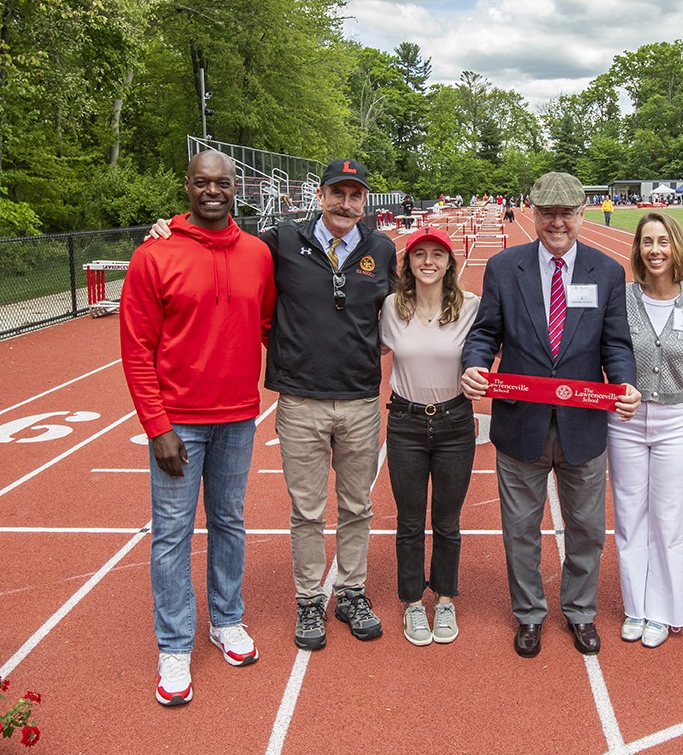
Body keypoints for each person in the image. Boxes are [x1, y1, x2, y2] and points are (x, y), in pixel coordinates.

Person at [150, 159, 398, 653]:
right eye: (337, 193)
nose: (345, 203)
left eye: (355, 195)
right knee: (307, 510)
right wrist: (170, 231)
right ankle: (309, 598)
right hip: (300, 401)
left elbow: (397, 312)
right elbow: (221, 241)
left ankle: (350, 591)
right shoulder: (281, 240)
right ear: (321, 195)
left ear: (364, 200)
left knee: (357, 505)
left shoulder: (382, 249)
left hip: (360, 402)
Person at [460, 171, 641, 659]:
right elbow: (485, 333)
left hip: (584, 424)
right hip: (522, 420)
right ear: (533, 213)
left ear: (582, 213)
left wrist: (625, 383)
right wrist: (476, 364)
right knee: (520, 528)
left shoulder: (607, 271)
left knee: (585, 526)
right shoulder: (503, 267)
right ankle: (529, 613)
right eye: (548, 212)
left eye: (566, 212)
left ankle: (580, 611)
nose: (557, 222)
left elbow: (616, 345)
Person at [121, 150, 276, 706]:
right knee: (171, 534)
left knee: (230, 522)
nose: (213, 191)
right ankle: (174, 644)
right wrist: (156, 425)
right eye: (202, 182)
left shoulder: (258, 253)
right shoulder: (154, 255)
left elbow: (268, 326)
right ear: (187, 186)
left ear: (236, 189)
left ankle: (227, 620)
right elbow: (136, 350)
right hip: (178, 422)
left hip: (238, 415)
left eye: (223, 183)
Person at [607, 212, 683, 649]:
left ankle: (664, 612)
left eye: (663, 241)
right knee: (629, 518)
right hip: (625, 420)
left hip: (675, 420)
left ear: (676, 246)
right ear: (638, 250)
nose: (655, 250)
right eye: (647, 242)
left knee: (668, 521)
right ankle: (636, 607)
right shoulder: (621, 298)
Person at [380, 226, 480, 646]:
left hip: (455, 423)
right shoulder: (389, 307)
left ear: (449, 262)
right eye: (419, 254)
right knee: (408, 520)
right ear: (408, 262)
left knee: (447, 520)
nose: (427, 262)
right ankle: (412, 603)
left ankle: (444, 598)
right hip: (405, 421)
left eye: (436, 255)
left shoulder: (471, 307)